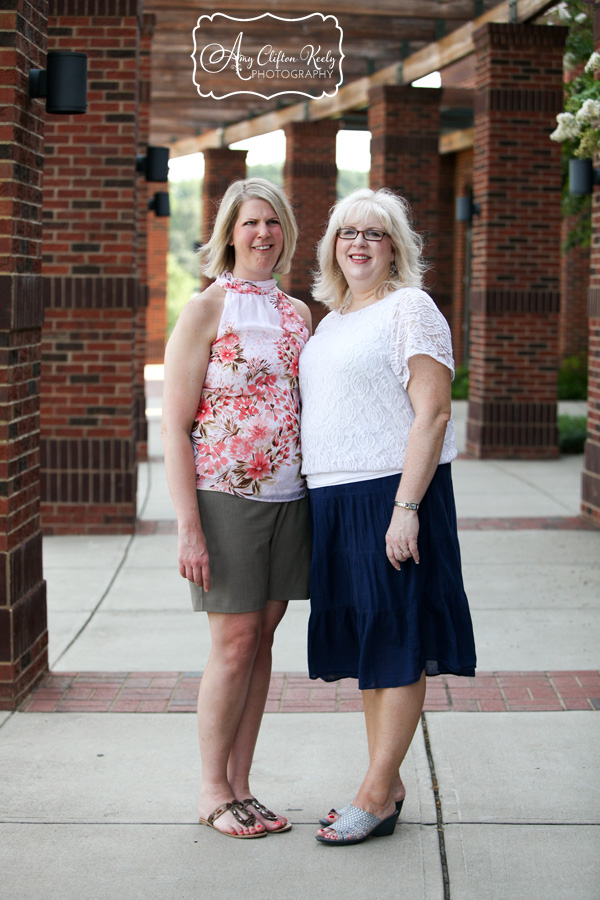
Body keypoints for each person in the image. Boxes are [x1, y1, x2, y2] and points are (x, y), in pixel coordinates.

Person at [299, 187, 476, 846]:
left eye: (374, 233)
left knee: (398, 640)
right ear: (333, 246)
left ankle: (374, 793)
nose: (359, 243)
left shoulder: (411, 309)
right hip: (337, 498)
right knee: (374, 644)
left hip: (392, 494)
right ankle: (387, 782)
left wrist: (406, 508)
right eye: (348, 232)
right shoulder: (333, 319)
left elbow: (432, 413)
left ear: (396, 247)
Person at [162, 178, 312, 839]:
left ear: (286, 234)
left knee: (263, 642)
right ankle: (210, 790)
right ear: (228, 232)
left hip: (290, 496)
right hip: (225, 496)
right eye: (252, 222)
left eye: (274, 223)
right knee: (232, 645)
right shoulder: (206, 309)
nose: (263, 234)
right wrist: (188, 527)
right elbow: (172, 425)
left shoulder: (297, 313)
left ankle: (244, 787)